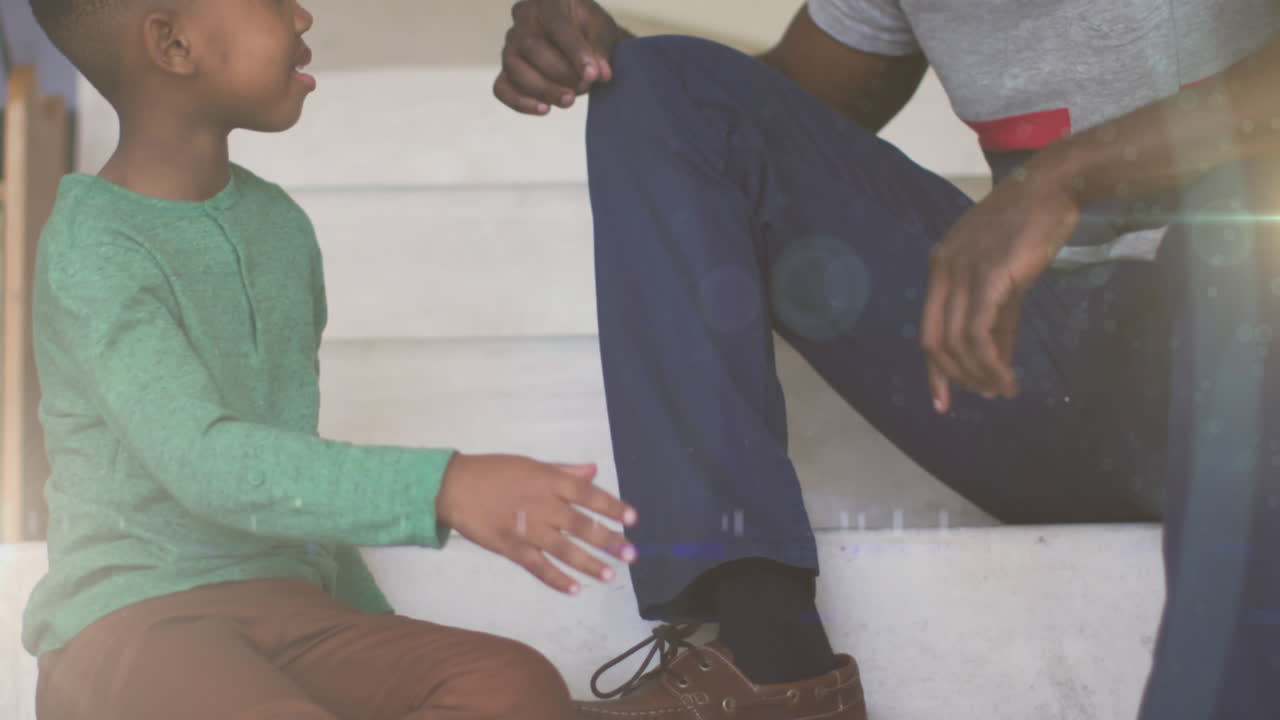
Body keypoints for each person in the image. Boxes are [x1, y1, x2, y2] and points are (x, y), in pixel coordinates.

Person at [495, 1, 1280, 718]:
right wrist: (609, 62)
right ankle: (773, 661)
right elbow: (766, 121)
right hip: (1033, 370)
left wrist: (1067, 175)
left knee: (1237, 235)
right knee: (669, 85)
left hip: (1243, 354)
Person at [22, 1, 640, 719]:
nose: (304, 16)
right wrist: (444, 486)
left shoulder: (279, 227)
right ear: (173, 42)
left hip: (294, 610)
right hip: (131, 625)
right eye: (271, 1)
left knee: (515, 683)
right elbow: (206, 465)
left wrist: (373, 631)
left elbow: (291, 458)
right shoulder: (91, 247)